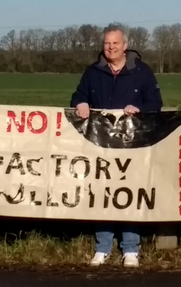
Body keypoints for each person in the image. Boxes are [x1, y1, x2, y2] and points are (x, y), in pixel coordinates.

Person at [70, 24, 163, 267]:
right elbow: (78, 96)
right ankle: (102, 247)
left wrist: (140, 110)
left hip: (132, 145)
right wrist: (80, 103)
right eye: (107, 43)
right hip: (100, 145)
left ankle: (130, 248)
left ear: (125, 45)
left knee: (129, 193)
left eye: (115, 43)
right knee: (102, 193)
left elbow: (155, 103)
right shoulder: (93, 72)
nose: (110, 47)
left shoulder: (142, 72)